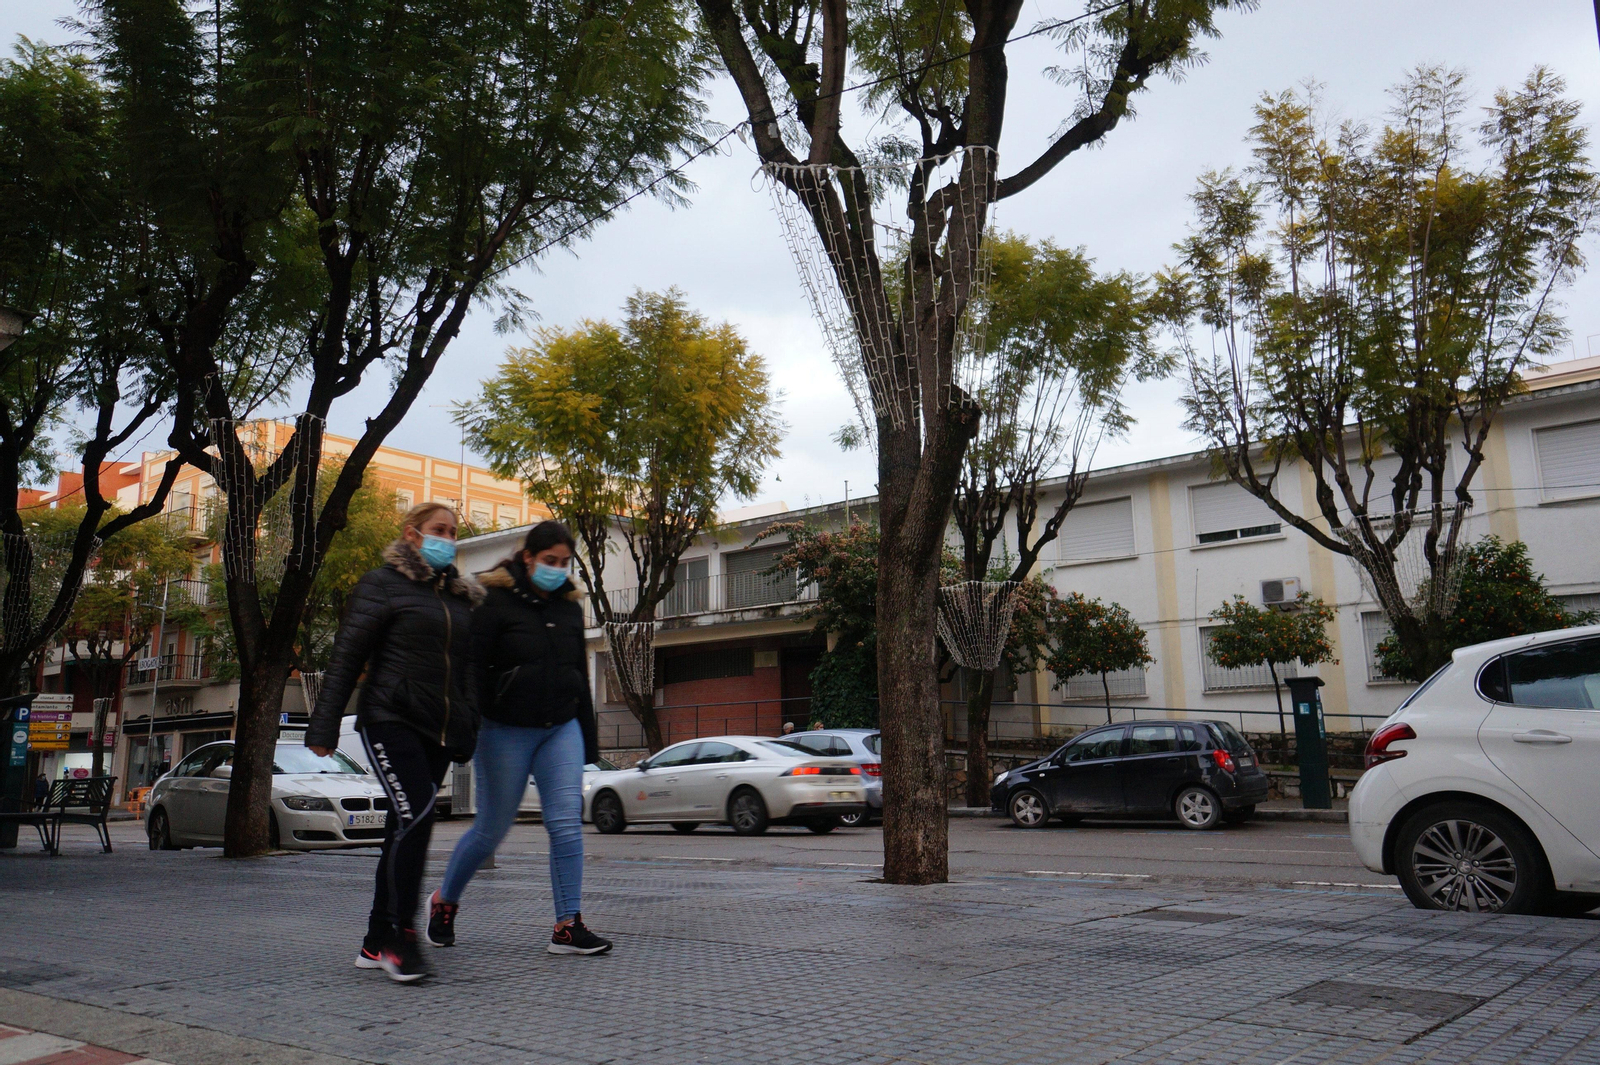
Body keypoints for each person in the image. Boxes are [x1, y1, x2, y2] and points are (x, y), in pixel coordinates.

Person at [305, 503, 482, 983]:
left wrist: (468, 727)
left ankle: (374, 939)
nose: (448, 539)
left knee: (402, 828)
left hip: (437, 730)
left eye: (453, 532)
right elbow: (347, 655)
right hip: (390, 717)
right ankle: (401, 940)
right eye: (438, 530)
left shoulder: (460, 599)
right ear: (412, 534)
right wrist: (323, 727)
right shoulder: (381, 584)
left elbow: (468, 673)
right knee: (418, 817)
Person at [431, 521, 611, 956]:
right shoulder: (493, 600)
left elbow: (578, 673)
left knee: (566, 824)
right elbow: (472, 669)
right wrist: (468, 726)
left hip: (560, 727)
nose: (558, 569)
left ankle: (567, 925)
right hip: (504, 728)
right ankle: (444, 901)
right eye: (550, 560)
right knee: (491, 830)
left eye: (565, 562)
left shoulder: (569, 606)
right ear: (528, 557)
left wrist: (588, 740)